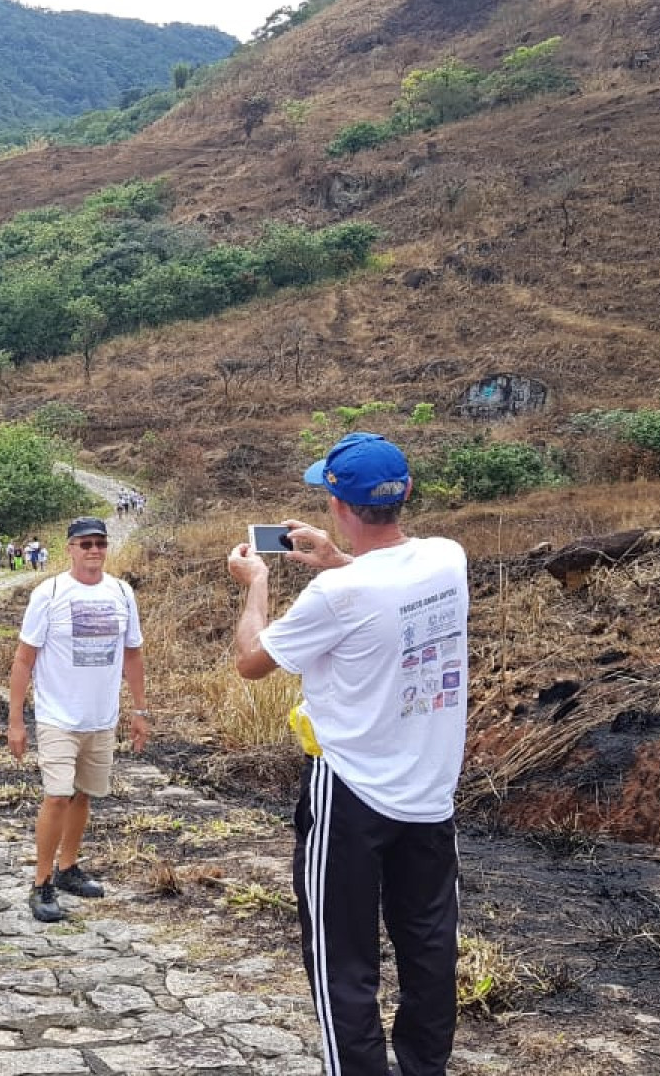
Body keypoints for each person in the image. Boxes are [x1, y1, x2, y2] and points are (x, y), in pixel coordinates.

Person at [225, 432, 469, 1076]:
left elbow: (252, 661)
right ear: (406, 491)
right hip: (430, 792)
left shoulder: (336, 596)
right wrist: (338, 560)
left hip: (351, 793)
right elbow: (384, 587)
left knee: (343, 959)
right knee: (429, 950)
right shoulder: (448, 559)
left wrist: (255, 586)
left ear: (336, 505)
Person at [7, 516, 148, 923]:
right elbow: (24, 659)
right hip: (57, 715)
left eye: (100, 543)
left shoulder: (121, 592)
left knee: (84, 793)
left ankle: (68, 867)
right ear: (70, 548)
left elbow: (132, 653)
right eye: (85, 544)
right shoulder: (49, 593)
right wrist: (16, 720)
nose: (94, 551)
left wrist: (140, 710)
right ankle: (41, 882)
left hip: (101, 716)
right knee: (57, 795)